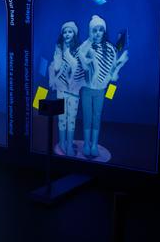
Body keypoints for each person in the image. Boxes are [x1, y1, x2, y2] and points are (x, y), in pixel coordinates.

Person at [77, 15, 129, 157]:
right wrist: (89, 45)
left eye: (101, 30)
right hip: (87, 88)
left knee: (97, 116)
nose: (98, 33)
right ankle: (87, 144)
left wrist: (119, 65)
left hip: (100, 89)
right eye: (94, 30)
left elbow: (112, 70)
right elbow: (79, 59)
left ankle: (94, 144)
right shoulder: (86, 45)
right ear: (90, 31)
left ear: (104, 31)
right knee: (87, 116)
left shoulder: (111, 49)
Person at [48, 21, 81, 156]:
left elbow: (79, 69)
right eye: (65, 32)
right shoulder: (58, 48)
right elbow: (55, 68)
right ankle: (62, 143)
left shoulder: (79, 49)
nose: (67, 34)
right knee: (62, 117)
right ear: (62, 34)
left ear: (74, 34)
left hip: (73, 90)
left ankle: (68, 143)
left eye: (70, 31)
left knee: (71, 118)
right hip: (61, 88)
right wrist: (59, 56)